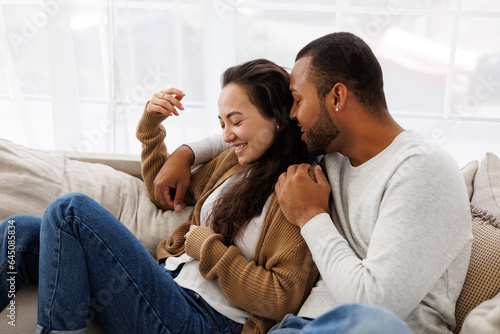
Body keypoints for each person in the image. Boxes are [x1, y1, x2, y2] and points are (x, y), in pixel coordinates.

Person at [151, 32, 473, 334]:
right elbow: (260, 127)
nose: (291, 114)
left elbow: (375, 305)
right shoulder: (331, 152)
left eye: (298, 100)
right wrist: (187, 152)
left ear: (336, 97)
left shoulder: (422, 170)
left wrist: (310, 216)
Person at [0, 59, 319, 333]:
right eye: (222, 124)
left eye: (236, 121)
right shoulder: (232, 163)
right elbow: (165, 192)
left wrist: (209, 249)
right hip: (166, 287)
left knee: (70, 211)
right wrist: (152, 131)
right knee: (17, 233)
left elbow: (283, 297)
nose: (225, 136)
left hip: (205, 320)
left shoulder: (296, 190)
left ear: (277, 117)